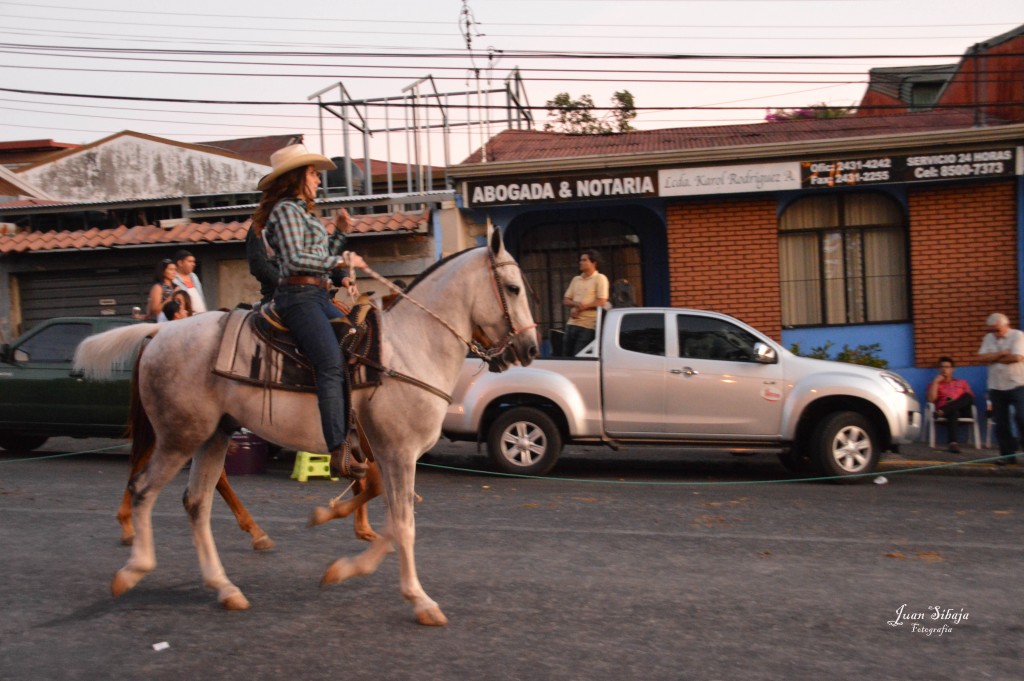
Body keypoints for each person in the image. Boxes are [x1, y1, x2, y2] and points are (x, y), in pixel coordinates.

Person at [250, 143, 368, 479]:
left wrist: (341, 233)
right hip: (297, 297)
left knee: (354, 340)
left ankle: (351, 429)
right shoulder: (285, 211)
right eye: (314, 173)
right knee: (330, 363)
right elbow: (297, 260)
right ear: (297, 176)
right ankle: (337, 449)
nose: (319, 179)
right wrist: (340, 260)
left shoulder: (304, 214)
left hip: (317, 295)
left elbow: (321, 255)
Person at [978, 312, 1024, 465]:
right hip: (996, 386)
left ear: (1006, 326)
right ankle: (1007, 456)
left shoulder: (1017, 336)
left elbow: (1016, 357)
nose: (995, 334)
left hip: (1017, 384)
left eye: (997, 330)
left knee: (1021, 417)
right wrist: (1001, 354)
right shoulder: (988, 338)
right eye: (992, 330)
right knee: (1001, 423)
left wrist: (994, 358)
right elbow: (981, 358)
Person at [561, 249, 609, 357]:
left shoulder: (600, 278)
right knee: (565, 357)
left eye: (584, 260)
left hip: (588, 326)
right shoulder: (576, 279)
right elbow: (565, 300)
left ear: (594, 263)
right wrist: (576, 305)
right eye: (580, 260)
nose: (580, 262)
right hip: (571, 324)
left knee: (579, 357)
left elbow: (602, 301)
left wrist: (583, 307)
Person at [926, 356, 975, 453]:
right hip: (949, 414)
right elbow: (931, 400)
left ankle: (943, 410)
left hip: (962, 410)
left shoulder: (962, 383)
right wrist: (935, 382)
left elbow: (970, 399)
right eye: (942, 367)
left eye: (947, 367)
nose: (944, 369)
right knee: (954, 411)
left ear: (952, 369)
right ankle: (953, 444)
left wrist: (954, 402)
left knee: (967, 396)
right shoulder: (934, 384)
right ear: (938, 369)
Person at [172, 249, 208, 313]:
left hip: (202, 315)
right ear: (180, 263)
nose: (193, 264)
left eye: (193, 262)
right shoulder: (173, 279)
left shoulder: (194, 276)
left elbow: (201, 296)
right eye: (190, 261)